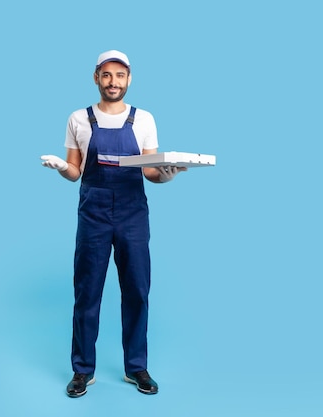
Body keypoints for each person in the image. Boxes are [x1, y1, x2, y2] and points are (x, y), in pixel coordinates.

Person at [41, 50, 186, 397]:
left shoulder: (145, 119)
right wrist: (62, 168)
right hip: (93, 214)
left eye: (119, 76)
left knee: (137, 290)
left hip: (132, 214)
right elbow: (75, 172)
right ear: (96, 78)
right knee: (86, 292)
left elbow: (151, 172)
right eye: (106, 75)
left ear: (129, 79)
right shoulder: (79, 118)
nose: (113, 82)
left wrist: (167, 176)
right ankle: (82, 370)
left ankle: (136, 367)